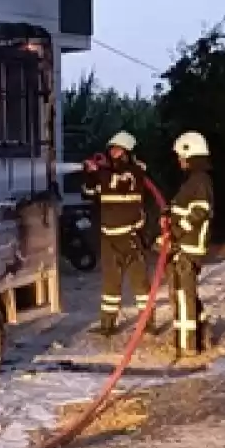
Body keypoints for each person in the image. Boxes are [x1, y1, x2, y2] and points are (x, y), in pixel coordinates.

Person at [82, 131, 154, 337]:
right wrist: (88, 174)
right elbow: (89, 192)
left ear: (127, 153)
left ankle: (148, 322)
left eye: (117, 150)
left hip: (130, 236)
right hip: (109, 237)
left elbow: (117, 181)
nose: (113, 153)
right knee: (110, 283)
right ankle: (107, 325)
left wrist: (99, 171)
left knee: (139, 282)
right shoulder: (105, 176)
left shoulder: (134, 173)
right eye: (111, 149)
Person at [161, 131, 214, 358]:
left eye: (181, 157)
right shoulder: (193, 181)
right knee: (181, 294)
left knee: (184, 296)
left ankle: (188, 345)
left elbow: (200, 211)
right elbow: (185, 209)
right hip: (183, 244)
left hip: (189, 247)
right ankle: (201, 334)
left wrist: (176, 230)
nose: (179, 161)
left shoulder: (199, 181)